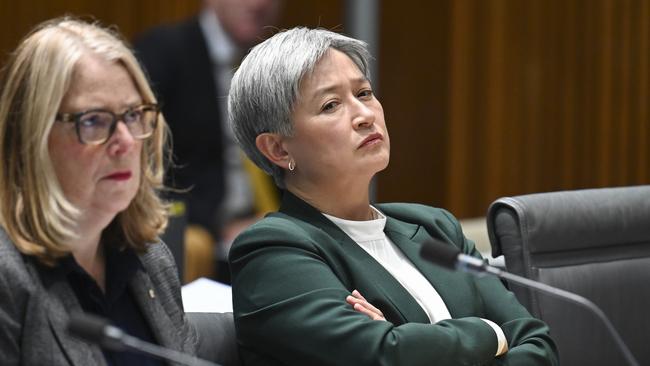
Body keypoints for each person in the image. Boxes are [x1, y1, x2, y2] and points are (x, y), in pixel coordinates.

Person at [227, 27, 559, 365]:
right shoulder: (273, 252)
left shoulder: (434, 228)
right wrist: (492, 333)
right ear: (278, 149)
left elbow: (537, 344)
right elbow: (384, 355)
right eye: (330, 105)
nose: (365, 115)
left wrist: (408, 340)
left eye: (365, 93)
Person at [0, 17, 197, 365]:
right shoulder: (8, 278)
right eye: (93, 120)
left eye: (134, 115)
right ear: (32, 137)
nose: (124, 142)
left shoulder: (152, 260)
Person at [133, 0, 282, 283]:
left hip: (264, 227)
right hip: (200, 237)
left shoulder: (273, 63)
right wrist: (215, 227)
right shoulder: (164, 51)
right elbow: (142, 162)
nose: (261, 3)